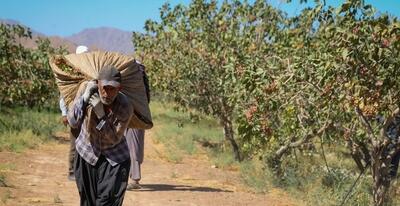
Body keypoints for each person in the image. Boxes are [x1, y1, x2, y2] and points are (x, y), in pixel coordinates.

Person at [68, 65, 133, 205]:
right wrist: (84, 99)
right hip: (87, 154)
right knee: (88, 202)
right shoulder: (86, 90)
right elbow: (72, 122)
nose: (107, 94)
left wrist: (101, 115)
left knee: (107, 202)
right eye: (104, 88)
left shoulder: (125, 105)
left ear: (119, 89)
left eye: (112, 89)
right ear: (98, 84)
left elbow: (115, 138)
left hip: (114, 159)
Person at [59, 45, 89, 181]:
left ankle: (82, 172)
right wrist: (65, 113)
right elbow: (63, 94)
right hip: (74, 113)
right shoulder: (72, 73)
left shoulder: (90, 71)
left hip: (88, 116)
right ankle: (71, 171)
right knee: (74, 143)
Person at [126, 63, 149, 190]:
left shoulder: (137, 84)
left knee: (134, 146)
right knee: (131, 145)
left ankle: (135, 179)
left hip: (136, 117)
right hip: (132, 116)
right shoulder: (140, 82)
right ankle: (129, 177)